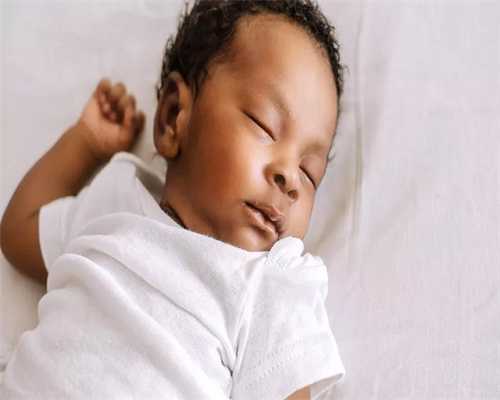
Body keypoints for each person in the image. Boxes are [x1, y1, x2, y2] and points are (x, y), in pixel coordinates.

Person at [0, 1, 346, 399]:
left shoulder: (270, 284)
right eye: (264, 125)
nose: (290, 178)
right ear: (173, 116)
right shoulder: (118, 197)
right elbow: (18, 231)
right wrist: (85, 143)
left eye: (309, 172)